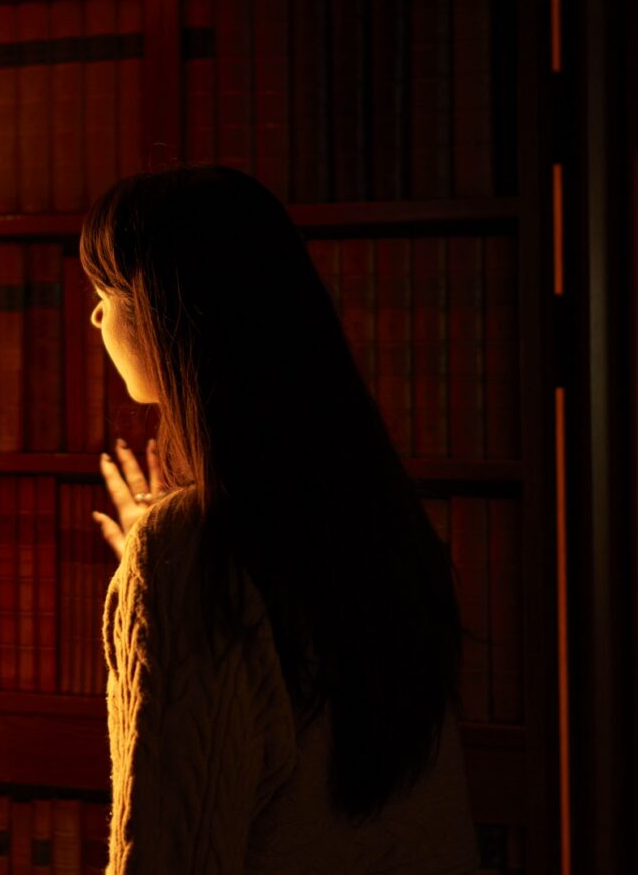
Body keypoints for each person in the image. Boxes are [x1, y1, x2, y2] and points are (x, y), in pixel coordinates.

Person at [81, 165, 479, 874]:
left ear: (168, 310)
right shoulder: (378, 518)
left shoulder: (193, 554)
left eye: (108, 291)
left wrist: (170, 567)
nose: (96, 318)